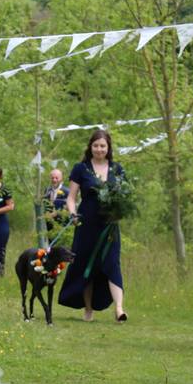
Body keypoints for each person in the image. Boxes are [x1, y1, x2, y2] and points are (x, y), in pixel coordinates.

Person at [57, 129, 127, 323]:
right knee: (87, 264)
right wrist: (72, 214)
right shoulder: (81, 169)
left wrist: (120, 211)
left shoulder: (117, 169)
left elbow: (124, 196)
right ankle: (88, 309)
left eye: (103, 146)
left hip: (110, 224)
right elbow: (71, 198)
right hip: (86, 223)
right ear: (90, 147)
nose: (99, 149)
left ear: (108, 148)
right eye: (96, 145)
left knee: (112, 263)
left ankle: (119, 309)